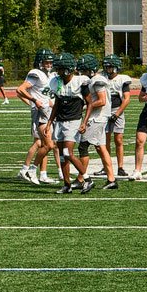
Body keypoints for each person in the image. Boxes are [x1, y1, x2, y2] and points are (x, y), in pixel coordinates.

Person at [77, 57, 118, 192]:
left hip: (97, 118)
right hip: (99, 117)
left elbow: (101, 101)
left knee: (83, 146)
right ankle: (111, 179)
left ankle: (81, 179)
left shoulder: (97, 80)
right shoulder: (93, 79)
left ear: (91, 69)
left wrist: (85, 107)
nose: (81, 73)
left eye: (84, 70)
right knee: (101, 148)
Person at [49, 53, 88, 194]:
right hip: (60, 120)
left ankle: (87, 179)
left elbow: (89, 103)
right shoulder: (57, 82)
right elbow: (57, 103)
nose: (57, 71)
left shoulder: (80, 81)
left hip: (74, 120)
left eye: (60, 68)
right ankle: (67, 185)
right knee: (61, 155)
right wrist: (49, 122)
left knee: (68, 152)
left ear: (67, 69)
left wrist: (84, 122)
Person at [17, 49, 56, 185]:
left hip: (47, 110)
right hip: (40, 112)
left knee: (44, 143)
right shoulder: (36, 73)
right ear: (40, 62)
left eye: (51, 61)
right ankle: (28, 170)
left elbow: (46, 96)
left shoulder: (50, 75)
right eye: (46, 61)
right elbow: (20, 90)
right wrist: (34, 101)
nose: (49, 64)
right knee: (44, 143)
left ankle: (42, 173)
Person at [100, 55, 133, 178]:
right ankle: (106, 166)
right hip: (104, 110)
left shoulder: (122, 79)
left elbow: (127, 99)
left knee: (118, 139)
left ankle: (120, 167)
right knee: (105, 140)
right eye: (106, 66)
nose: (107, 69)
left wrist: (117, 113)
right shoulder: (102, 78)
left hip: (116, 109)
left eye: (110, 67)